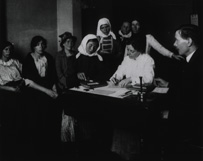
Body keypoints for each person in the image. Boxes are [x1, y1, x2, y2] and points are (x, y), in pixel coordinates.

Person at [155, 24, 203, 161]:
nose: (174, 44)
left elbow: (196, 104)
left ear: (189, 42)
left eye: (177, 40)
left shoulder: (198, 63)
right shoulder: (194, 59)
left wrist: (171, 114)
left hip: (193, 127)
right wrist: (169, 84)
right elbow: (190, 89)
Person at [22, 35, 61, 156]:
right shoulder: (28, 59)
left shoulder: (48, 57)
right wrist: (48, 91)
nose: (41, 46)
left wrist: (54, 89)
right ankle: (36, 151)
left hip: (47, 90)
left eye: (43, 44)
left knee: (50, 119)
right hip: (34, 92)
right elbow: (29, 82)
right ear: (33, 46)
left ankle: (49, 149)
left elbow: (53, 76)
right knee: (36, 121)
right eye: (38, 44)